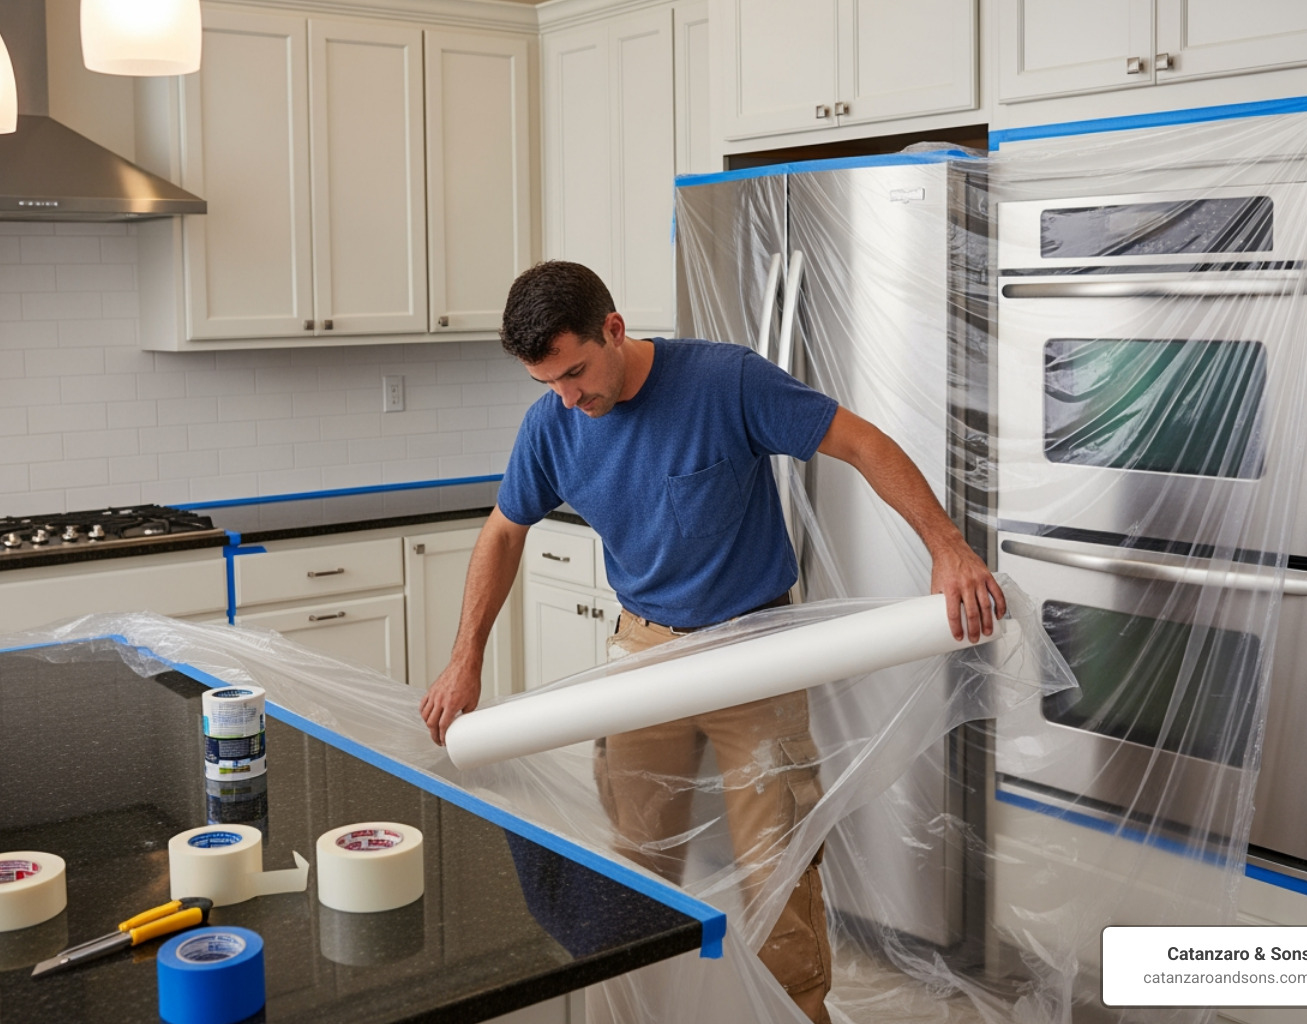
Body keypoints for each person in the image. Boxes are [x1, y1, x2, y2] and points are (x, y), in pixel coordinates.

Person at [420, 261, 1005, 1023]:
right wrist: (466, 660)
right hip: (644, 658)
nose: (568, 398)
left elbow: (861, 443)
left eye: (575, 373)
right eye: (548, 384)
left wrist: (948, 546)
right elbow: (503, 532)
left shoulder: (725, 381)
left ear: (615, 330)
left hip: (756, 653)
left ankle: (797, 1015)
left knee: (780, 872)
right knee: (635, 867)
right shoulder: (554, 424)